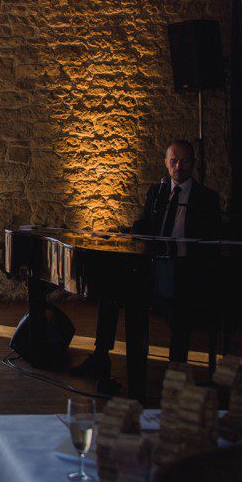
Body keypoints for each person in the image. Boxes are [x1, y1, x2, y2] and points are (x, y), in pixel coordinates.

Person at [71, 139, 222, 386]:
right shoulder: (157, 192)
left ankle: (176, 369)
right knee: (110, 290)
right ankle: (101, 356)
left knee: (182, 306)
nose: (178, 166)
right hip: (152, 265)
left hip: (185, 269)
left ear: (193, 163)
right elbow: (145, 225)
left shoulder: (206, 198)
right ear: (166, 163)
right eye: (173, 161)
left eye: (184, 161)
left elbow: (210, 241)